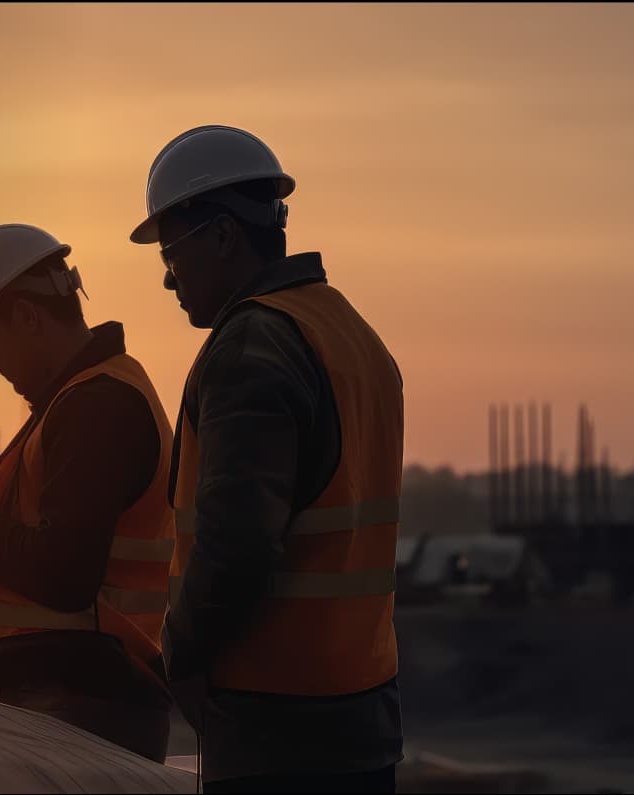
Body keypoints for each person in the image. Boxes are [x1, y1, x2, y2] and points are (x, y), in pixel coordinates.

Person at [129, 125, 405, 792]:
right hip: (360, 714)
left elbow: (238, 542)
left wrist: (181, 652)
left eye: (172, 253)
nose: (167, 278)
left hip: (274, 724)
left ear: (224, 235)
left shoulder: (253, 345)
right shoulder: (349, 332)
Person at [0, 223, 178, 762]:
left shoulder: (96, 408)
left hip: (86, 710)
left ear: (28, 318)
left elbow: (63, 574)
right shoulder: (84, 400)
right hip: (84, 703)